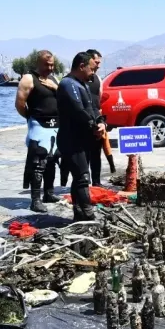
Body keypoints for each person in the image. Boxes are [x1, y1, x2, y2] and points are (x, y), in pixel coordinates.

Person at [57, 52, 106, 221]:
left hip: (82, 139)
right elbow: (78, 110)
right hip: (71, 140)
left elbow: (93, 108)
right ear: (82, 66)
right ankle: (87, 212)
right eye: (91, 68)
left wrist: (101, 123)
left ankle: (79, 212)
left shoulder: (82, 84)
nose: (93, 72)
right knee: (83, 177)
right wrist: (93, 126)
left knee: (79, 177)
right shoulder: (68, 84)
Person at [15, 50, 60, 213]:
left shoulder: (53, 79)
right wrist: (31, 118)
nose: (50, 67)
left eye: (52, 64)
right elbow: (20, 104)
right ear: (38, 63)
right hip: (39, 125)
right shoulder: (28, 78)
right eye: (47, 65)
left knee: (52, 160)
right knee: (38, 163)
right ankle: (35, 200)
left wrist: (55, 87)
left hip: (55, 126)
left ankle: (49, 193)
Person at [85, 49, 115, 185]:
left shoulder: (97, 78)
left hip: (96, 120)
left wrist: (101, 121)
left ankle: (96, 183)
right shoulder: (76, 79)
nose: (98, 65)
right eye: (96, 62)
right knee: (83, 155)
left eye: (99, 62)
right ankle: (83, 184)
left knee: (96, 154)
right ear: (89, 61)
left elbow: (99, 100)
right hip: (83, 121)